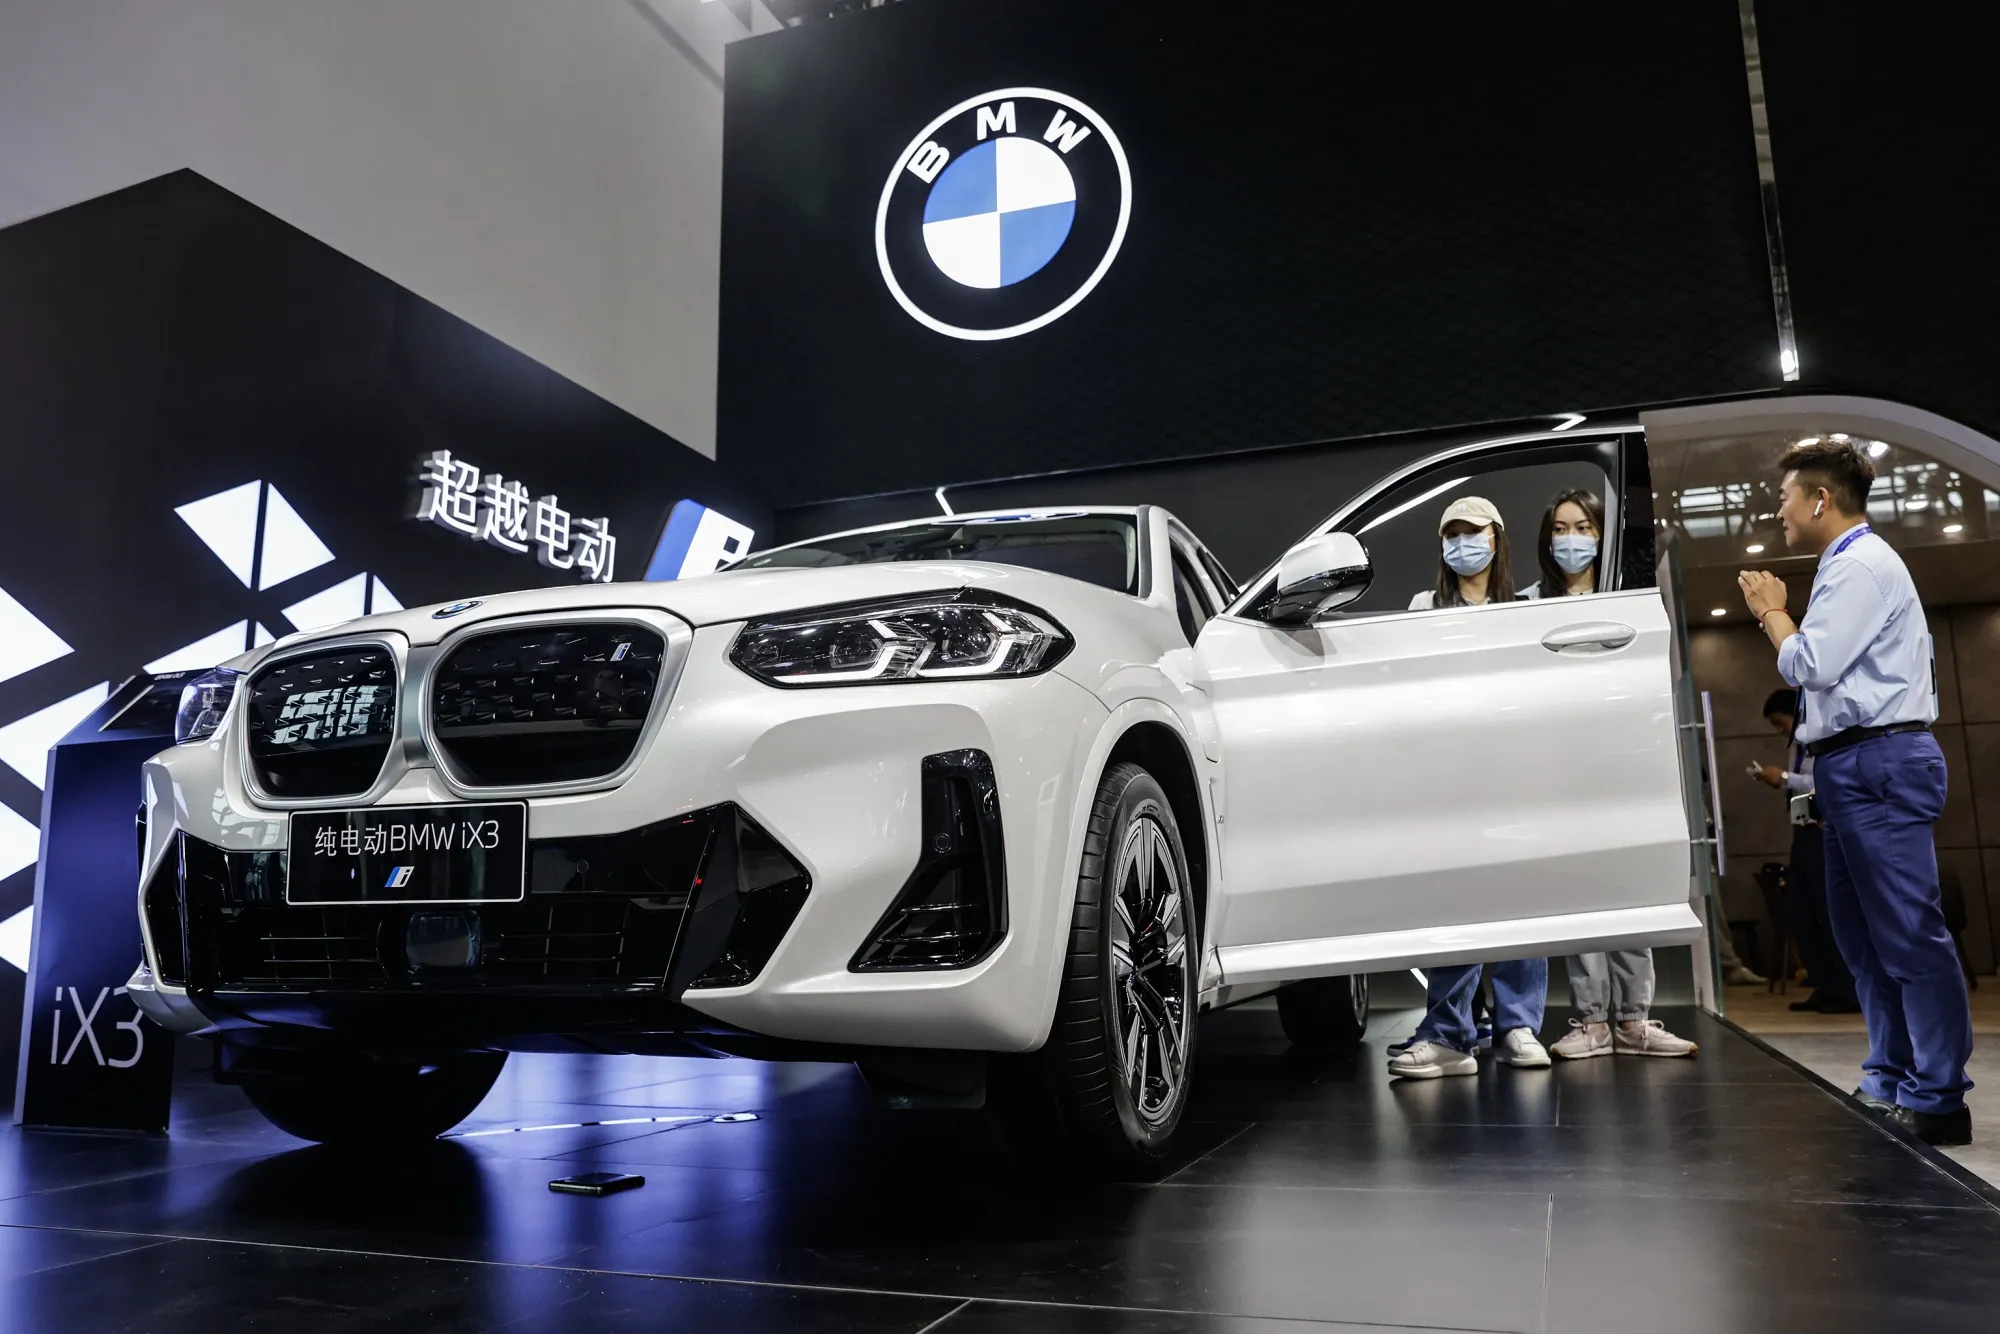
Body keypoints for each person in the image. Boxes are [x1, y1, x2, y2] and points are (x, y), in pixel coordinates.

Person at [1738, 438, 1972, 1145]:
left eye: (1784, 498)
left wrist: (1770, 612)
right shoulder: (1845, 565)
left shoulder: (1861, 564)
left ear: (1820, 499)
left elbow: (1811, 663)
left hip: (1880, 759)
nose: (1778, 511)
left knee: (1906, 934)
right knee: (1862, 940)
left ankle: (1939, 1096)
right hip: (1850, 765)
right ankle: (1890, 1077)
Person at [1517, 490, 1697, 1059]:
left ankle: (1634, 1020)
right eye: (1560, 528)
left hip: (1624, 761)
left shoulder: (1627, 599)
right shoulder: (1528, 604)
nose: (1570, 539)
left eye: (1583, 526)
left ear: (1602, 533)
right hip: (1560, 765)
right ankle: (1592, 1021)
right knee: (1579, 891)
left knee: (1631, 886)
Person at [1390, 496, 1548, 1078]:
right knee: (1453, 903)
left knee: (1522, 899)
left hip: (1514, 771)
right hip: (1450, 776)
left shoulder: (1527, 608)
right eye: (1451, 535)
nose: (1463, 544)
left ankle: (1517, 1026)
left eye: (1473, 532)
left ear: (1496, 537)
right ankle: (1451, 1034)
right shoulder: (1423, 607)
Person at [1752, 688, 1858, 1014]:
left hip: (1823, 830)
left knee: (1830, 911)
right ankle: (1823, 985)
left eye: (1779, 722)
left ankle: (1847, 990)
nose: (1779, 730)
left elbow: (1824, 780)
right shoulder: (1797, 744)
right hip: (1803, 829)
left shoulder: (1824, 736)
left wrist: (1784, 778)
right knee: (1803, 912)